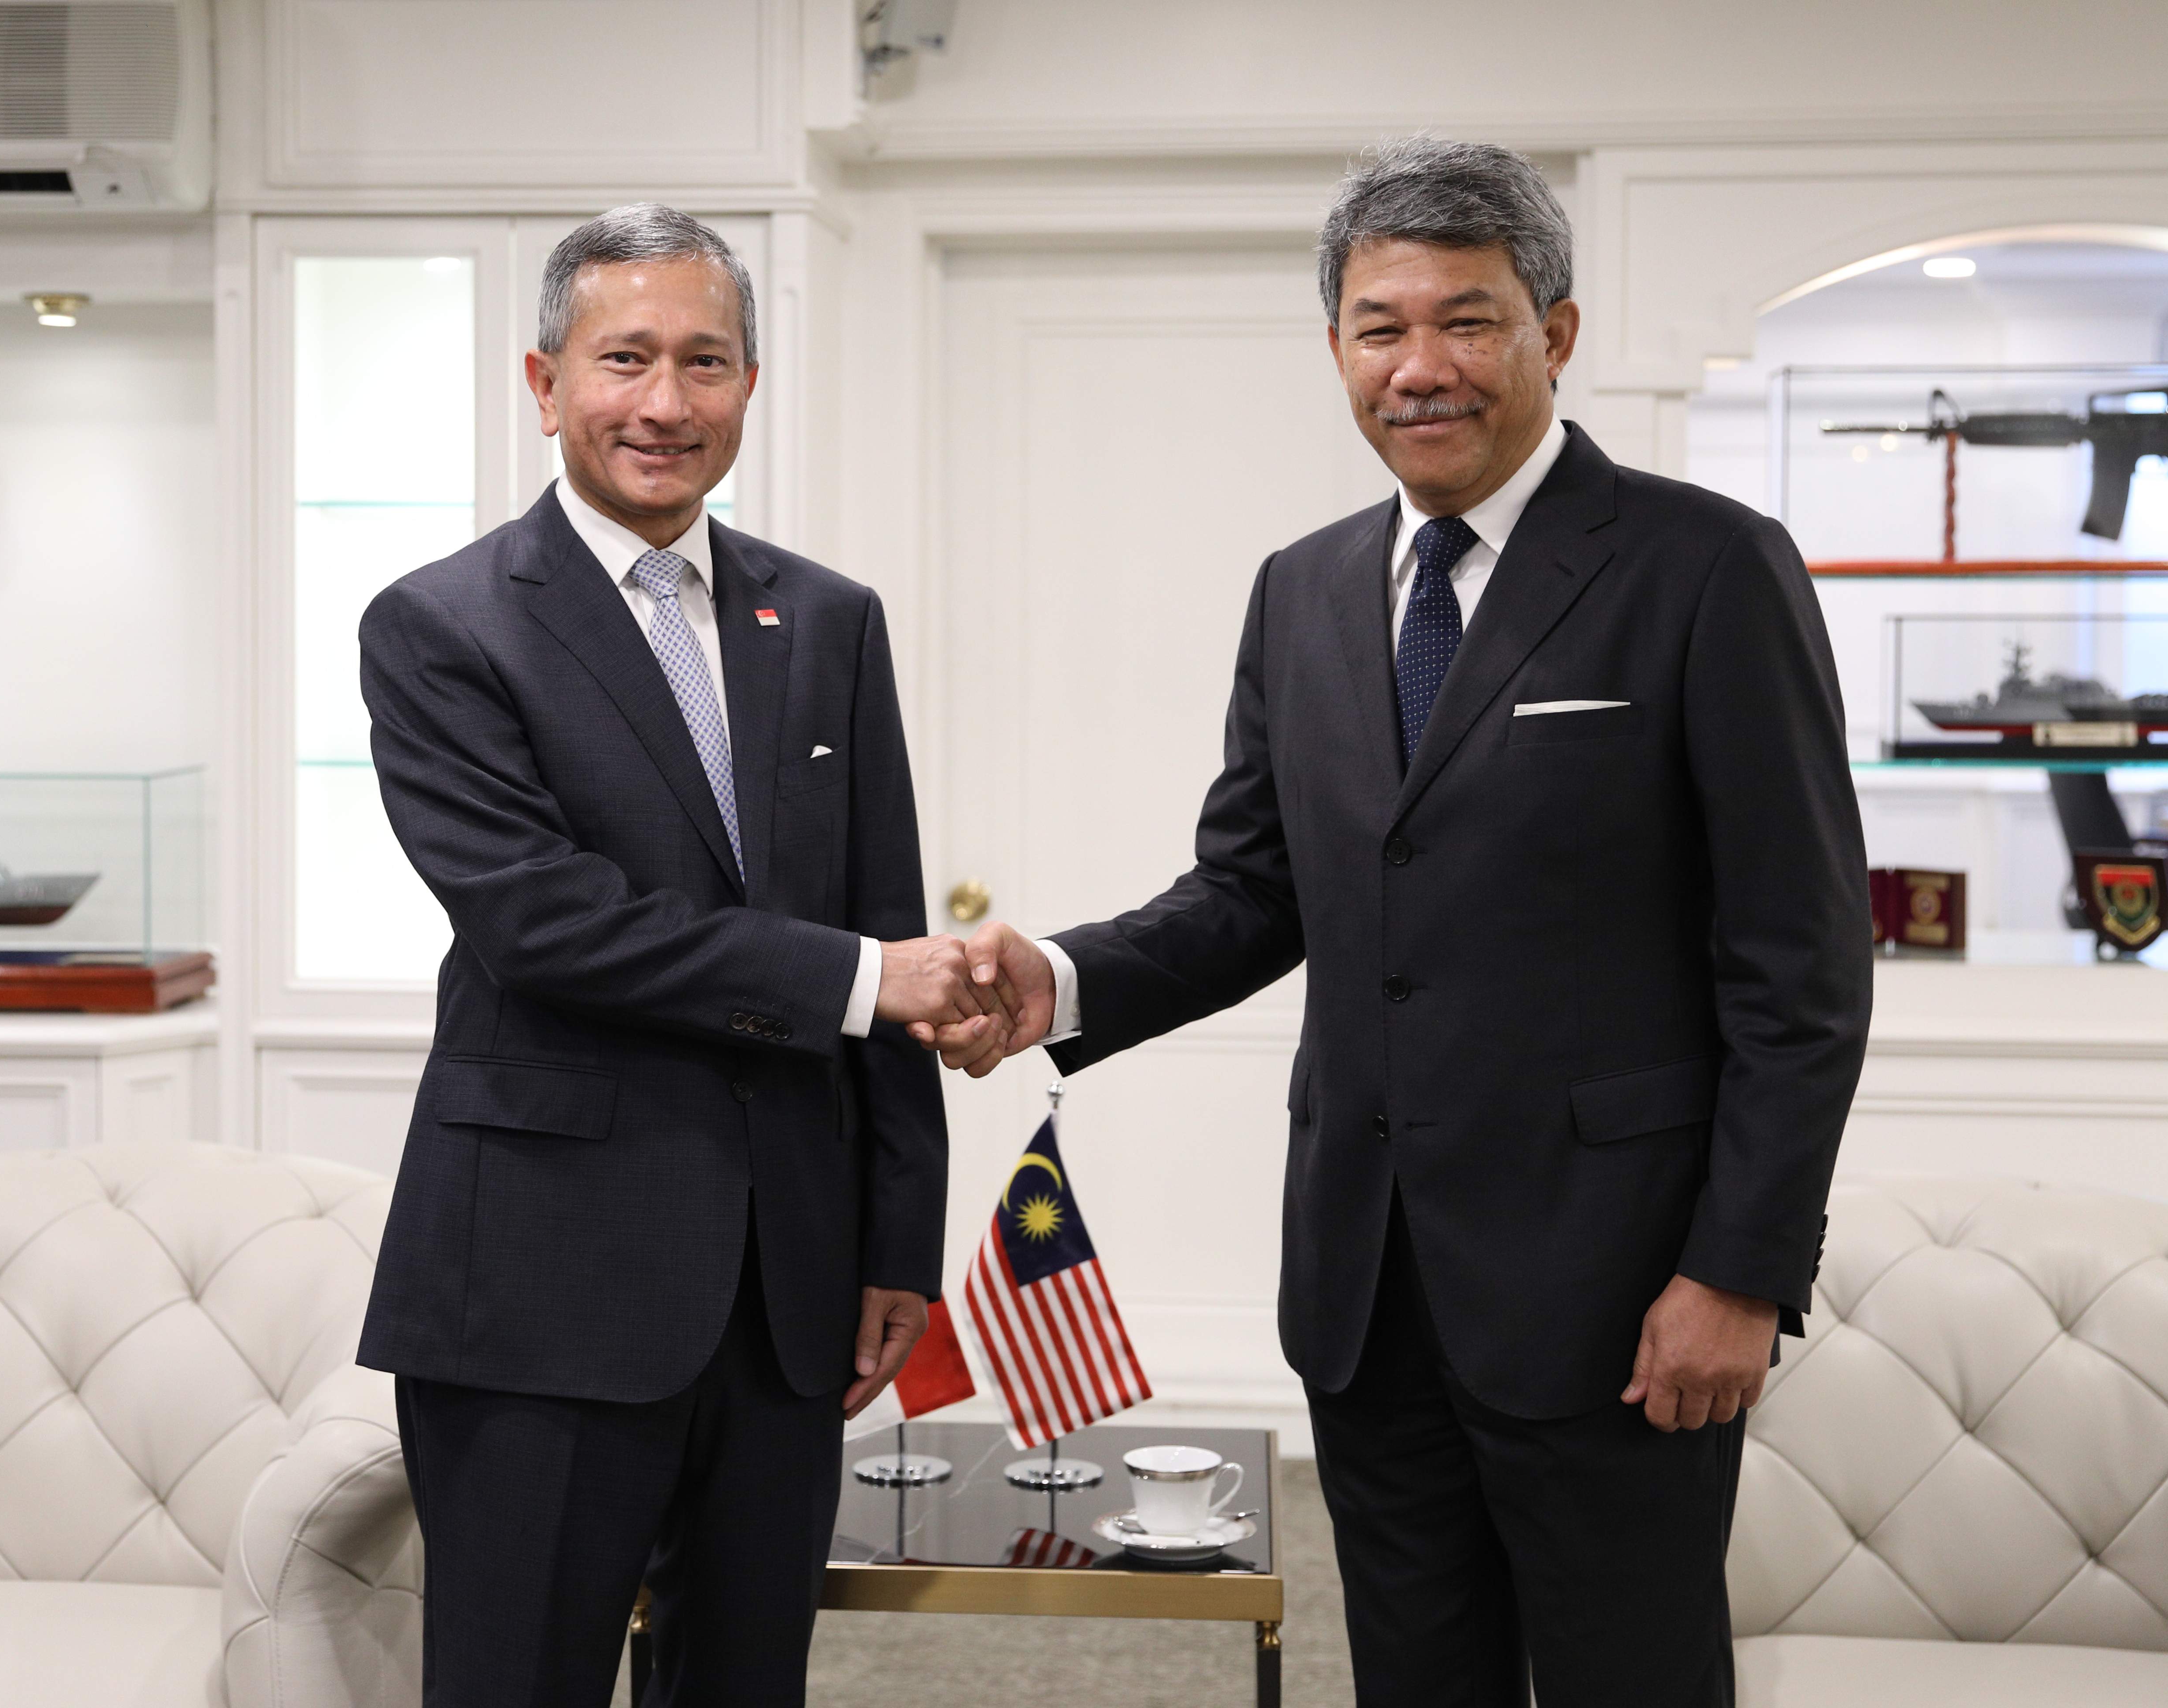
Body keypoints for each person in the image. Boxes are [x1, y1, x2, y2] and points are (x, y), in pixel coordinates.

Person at [931, 140, 1872, 1706]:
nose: (1420, 367)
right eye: (1382, 328)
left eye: (1469, 320)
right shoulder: (1302, 590)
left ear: (1554, 335)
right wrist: (1066, 977)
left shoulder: (1709, 569)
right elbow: (1254, 893)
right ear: (1337, 351)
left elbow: (1802, 967)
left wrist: (1745, 1269)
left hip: (1623, 1295)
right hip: (1367, 1291)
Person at [354, 204, 1010, 1708]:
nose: (665, 402)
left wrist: (899, 1240)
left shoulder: (828, 619)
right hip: (542, 1293)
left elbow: (886, 909)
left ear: (748, 385)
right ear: (544, 380)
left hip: (787, 1299)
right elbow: (544, 921)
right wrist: (861, 981)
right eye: (624, 359)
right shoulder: (443, 628)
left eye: (704, 361)